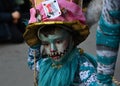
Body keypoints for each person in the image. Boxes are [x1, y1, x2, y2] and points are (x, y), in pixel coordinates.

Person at [23, 0, 118, 86]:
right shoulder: (46, 64)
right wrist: (34, 45)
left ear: (72, 39)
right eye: (46, 44)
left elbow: (94, 82)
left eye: (58, 41)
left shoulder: (80, 65)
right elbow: (33, 63)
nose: (52, 49)